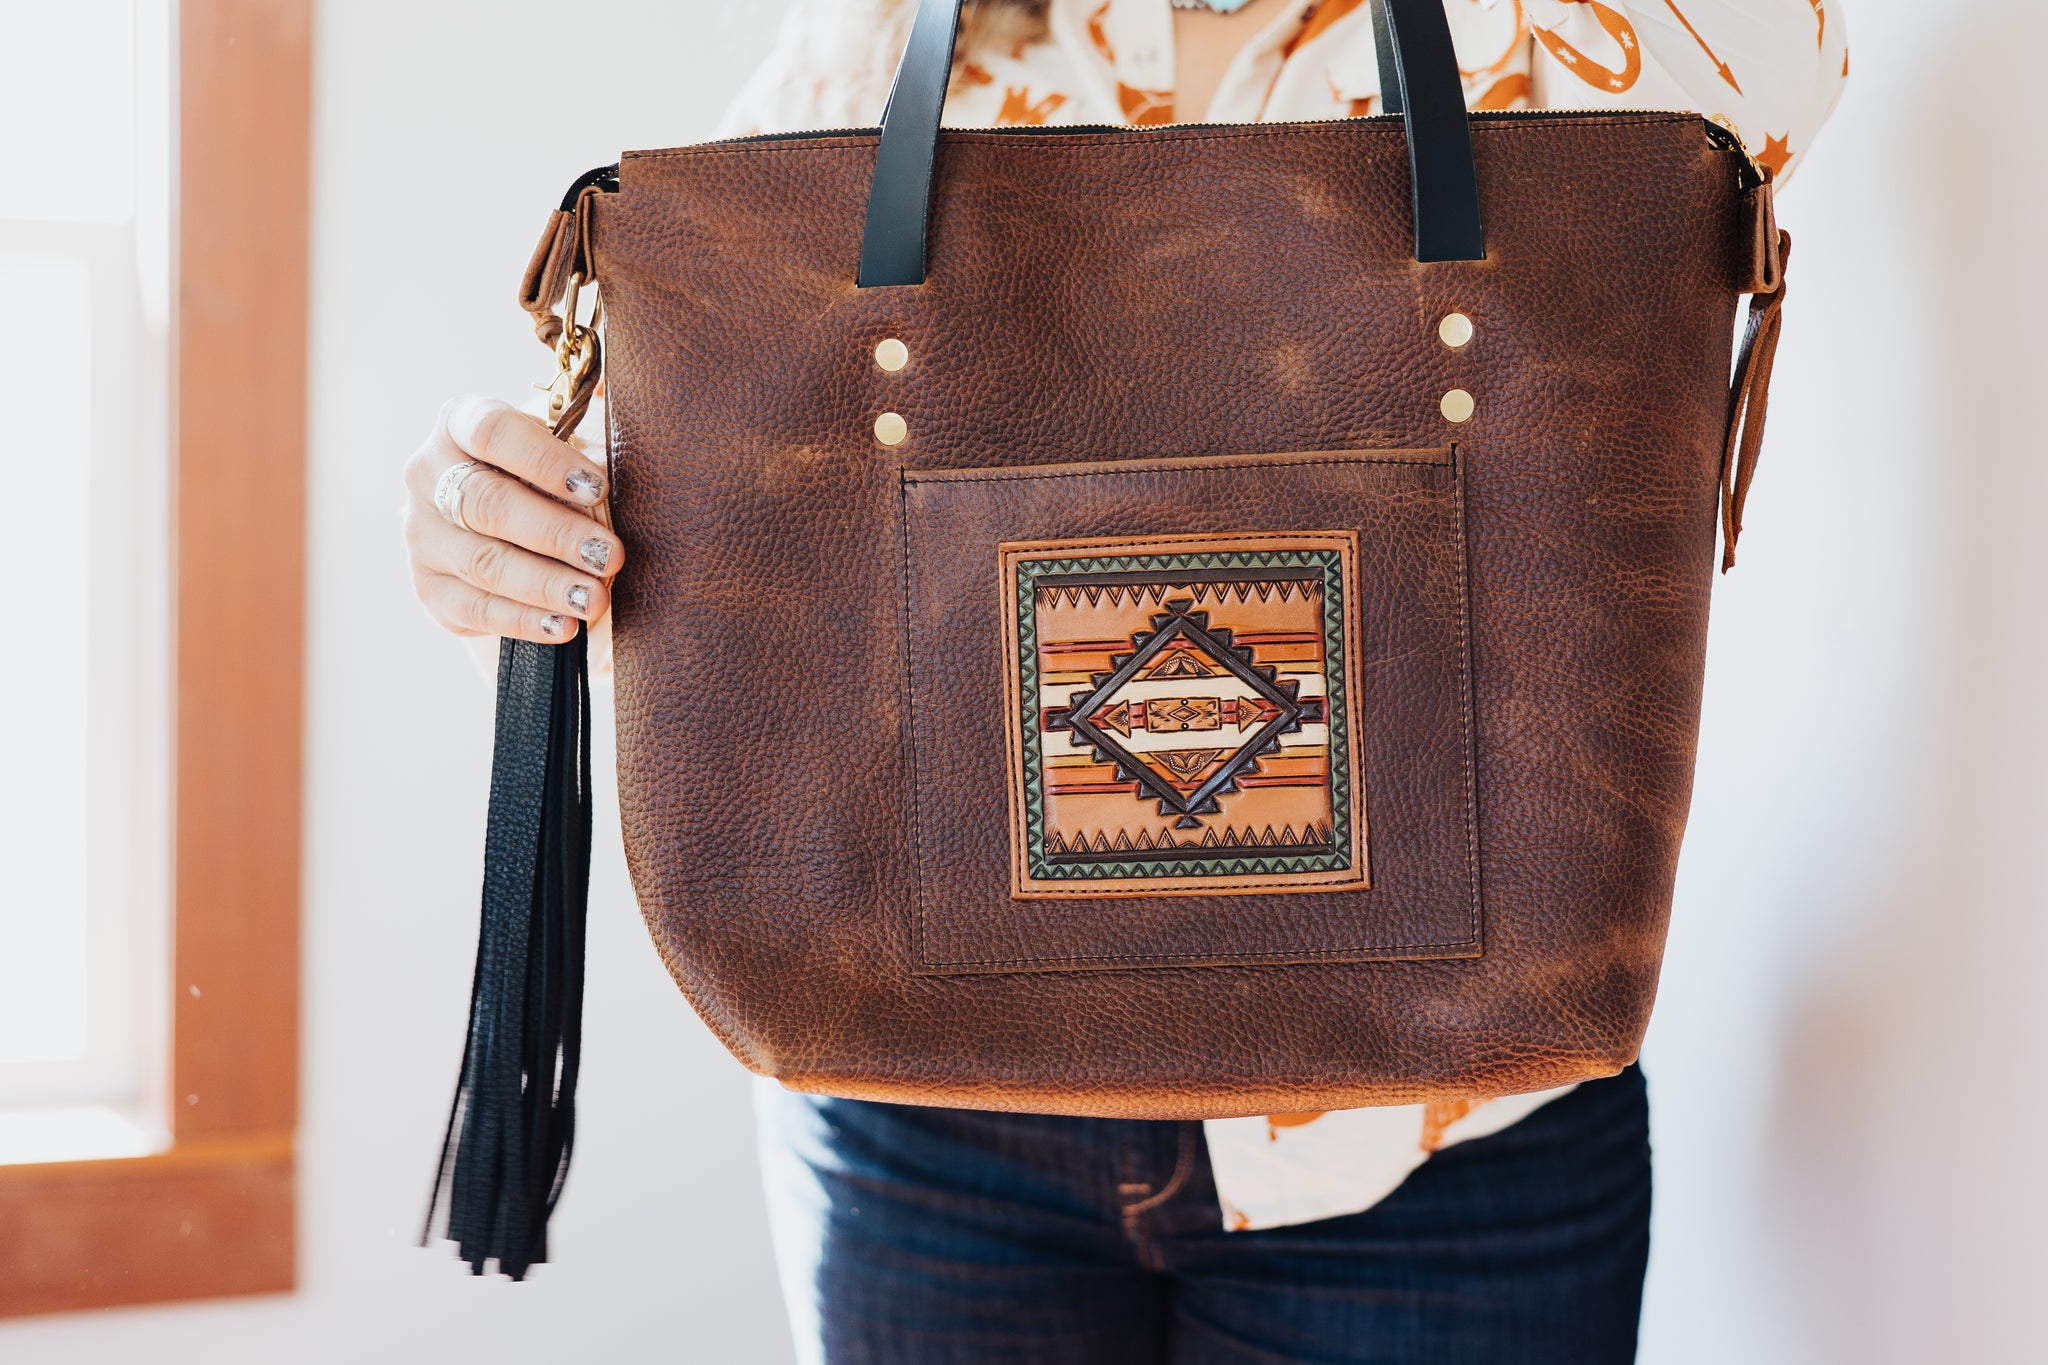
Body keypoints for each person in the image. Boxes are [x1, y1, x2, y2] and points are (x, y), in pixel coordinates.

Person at [402, 2, 1847, 1359]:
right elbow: (744, 578)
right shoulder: (887, 53)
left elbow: (1791, 50)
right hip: (925, 1129)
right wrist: (520, 560)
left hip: (1446, 1146)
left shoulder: (1542, 32)